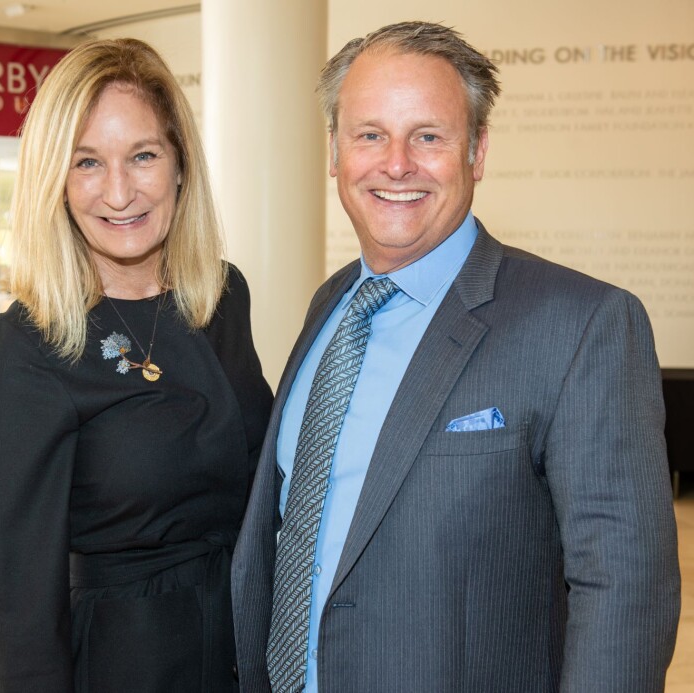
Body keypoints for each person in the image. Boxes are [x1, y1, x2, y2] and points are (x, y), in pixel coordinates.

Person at [231, 20, 680, 693]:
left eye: (429, 136)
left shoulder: (582, 324)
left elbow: (624, 590)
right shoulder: (332, 304)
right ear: (334, 151)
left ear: (477, 150)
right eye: (370, 134)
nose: (397, 163)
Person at [0, 38, 273, 693]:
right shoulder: (24, 348)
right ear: (54, 178)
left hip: (244, 646)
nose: (119, 190)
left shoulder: (220, 297)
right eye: (87, 162)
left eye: (142, 155)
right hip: (124, 664)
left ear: (180, 164)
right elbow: (17, 608)